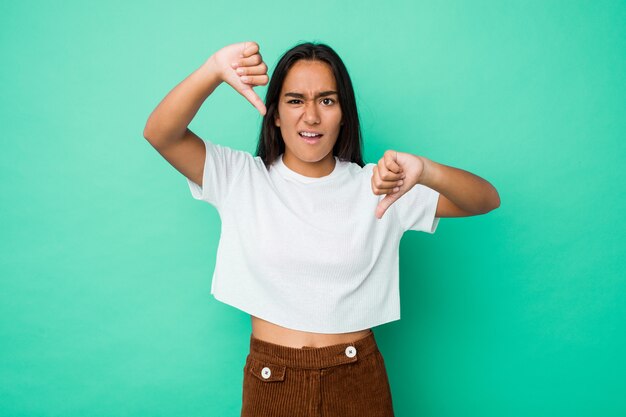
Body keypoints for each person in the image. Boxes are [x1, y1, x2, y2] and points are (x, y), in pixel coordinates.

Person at [143, 41, 500, 417]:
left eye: (327, 101)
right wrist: (213, 70)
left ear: (344, 113)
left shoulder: (377, 186)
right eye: (295, 100)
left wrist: (426, 171)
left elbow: (485, 199)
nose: (311, 116)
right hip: (272, 382)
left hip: (357, 379)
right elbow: (160, 133)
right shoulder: (241, 178)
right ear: (275, 114)